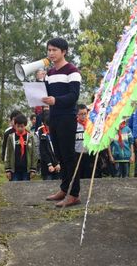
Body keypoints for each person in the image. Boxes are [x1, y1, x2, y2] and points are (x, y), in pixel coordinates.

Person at [42, 37, 82, 207]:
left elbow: (73, 96)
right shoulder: (50, 74)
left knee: (69, 156)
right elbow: (45, 94)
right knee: (59, 155)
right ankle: (64, 189)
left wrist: (55, 100)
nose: (51, 53)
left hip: (67, 118)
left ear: (63, 52)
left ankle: (74, 193)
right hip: (54, 118)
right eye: (49, 50)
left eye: (54, 50)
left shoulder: (72, 71)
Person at [4, 114, 37, 181]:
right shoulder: (11, 137)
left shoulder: (30, 137)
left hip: (26, 169)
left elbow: (34, 153)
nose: (20, 128)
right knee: (14, 188)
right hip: (14, 169)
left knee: (25, 189)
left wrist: (33, 169)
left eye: (22, 126)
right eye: (18, 126)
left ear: (25, 125)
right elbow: (8, 153)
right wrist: (8, 170)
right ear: (14, 125)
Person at [38, 111, 60, 180]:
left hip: (57, 167)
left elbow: (59, 151)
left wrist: (58, 163)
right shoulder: (43, 136)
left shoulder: (57, 135)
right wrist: (49, 164)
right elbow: (43, 152)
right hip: (47, 167)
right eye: (48, 126)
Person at [75, 104, 94, 178]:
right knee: (79, 175)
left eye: (85, 114)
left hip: (89, 154)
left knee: (89, 175)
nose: (83, 116)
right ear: (77, 114)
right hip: (78, 154)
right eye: (81, 114)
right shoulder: (75, 125)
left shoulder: (91, 124)